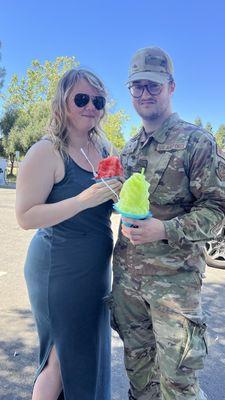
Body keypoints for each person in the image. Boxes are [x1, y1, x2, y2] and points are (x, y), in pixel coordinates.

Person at [110, 47, 225, 399]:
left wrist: (165, 229)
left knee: (178, 385)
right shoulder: (129, 149)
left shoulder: (196, 142)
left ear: (171, 87)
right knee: (140, 379)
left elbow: (218, 212)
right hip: (129, 286)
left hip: (174, 290)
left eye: (153, 86)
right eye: (137, 86)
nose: (144, 94)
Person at [15, 68, 122, 400]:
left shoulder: (104, 147)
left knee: (86, 354)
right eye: (81, 98)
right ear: (63, 102)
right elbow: (26, 216)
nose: (91, 106)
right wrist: (82, 200)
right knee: (61, 359)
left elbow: (109, 204)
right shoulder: (46, 151)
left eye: (98, 100)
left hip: (95, 273)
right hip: (58, 270)